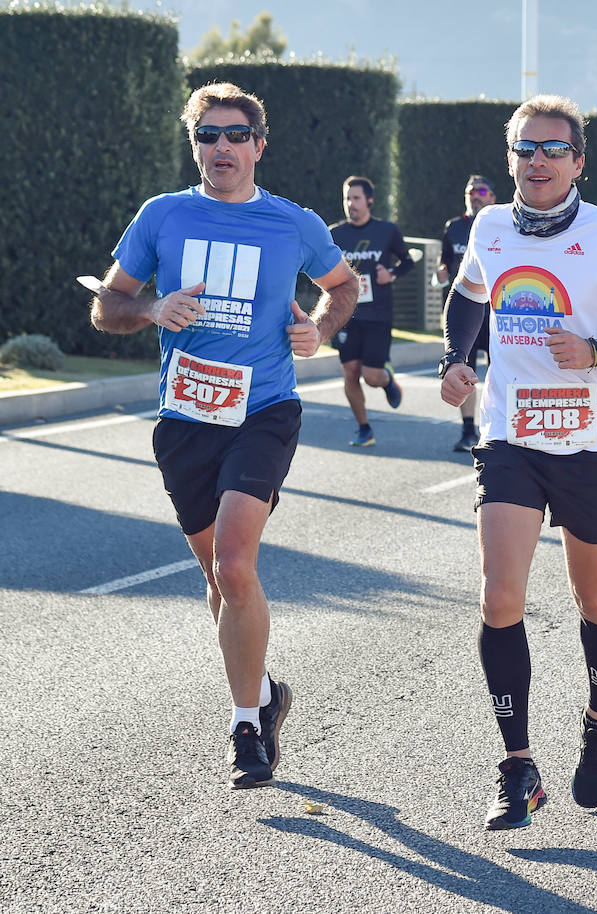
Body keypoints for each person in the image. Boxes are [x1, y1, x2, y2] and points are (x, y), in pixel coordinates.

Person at [87, 82, 359, 788]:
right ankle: (266, 693)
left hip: (264, 410)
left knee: (236, 565)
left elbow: (344, 286)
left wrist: (318, 329)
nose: (221, 148)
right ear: (195, 146)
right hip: (184, 419)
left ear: (259, 145)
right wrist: (151, 307)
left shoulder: (292, 223)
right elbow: (107, 307)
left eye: (235, 135)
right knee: (217, 576)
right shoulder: (163, 215)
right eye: (207, 136)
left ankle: (245, 727)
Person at [438, 94, 597, 830]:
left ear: (578, 161)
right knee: (498, 599)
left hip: (589, 446)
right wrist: (457, 359)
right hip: (510, 439)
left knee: (594, 598)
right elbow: (469, 296)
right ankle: (518, 767)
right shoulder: (489, 225)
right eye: (525, 149)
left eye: (553, 150)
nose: (538, 161)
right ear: (509, 158)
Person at [328, 176, 413, 447]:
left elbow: (407, 261)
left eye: (356, 198)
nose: (350, 204)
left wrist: (392, 274)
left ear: (369, 201)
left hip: (378, 314)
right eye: (347, 199)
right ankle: (364, 428)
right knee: (350, 372)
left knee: (371, 376)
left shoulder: (386, 231)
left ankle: (387, 380)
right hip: (345, 314)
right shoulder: (334, 234)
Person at [437, 175, 498, 452]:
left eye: (481, 191)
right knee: (463, 369)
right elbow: (446, 259)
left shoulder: (499, 225)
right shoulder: (454, 227)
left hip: (495, 312)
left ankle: (499, 425)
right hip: (466, 312)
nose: (475, 195)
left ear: (492, 198)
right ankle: (467, 431)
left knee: (499, 370)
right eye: (471, 191)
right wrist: (441, 270)